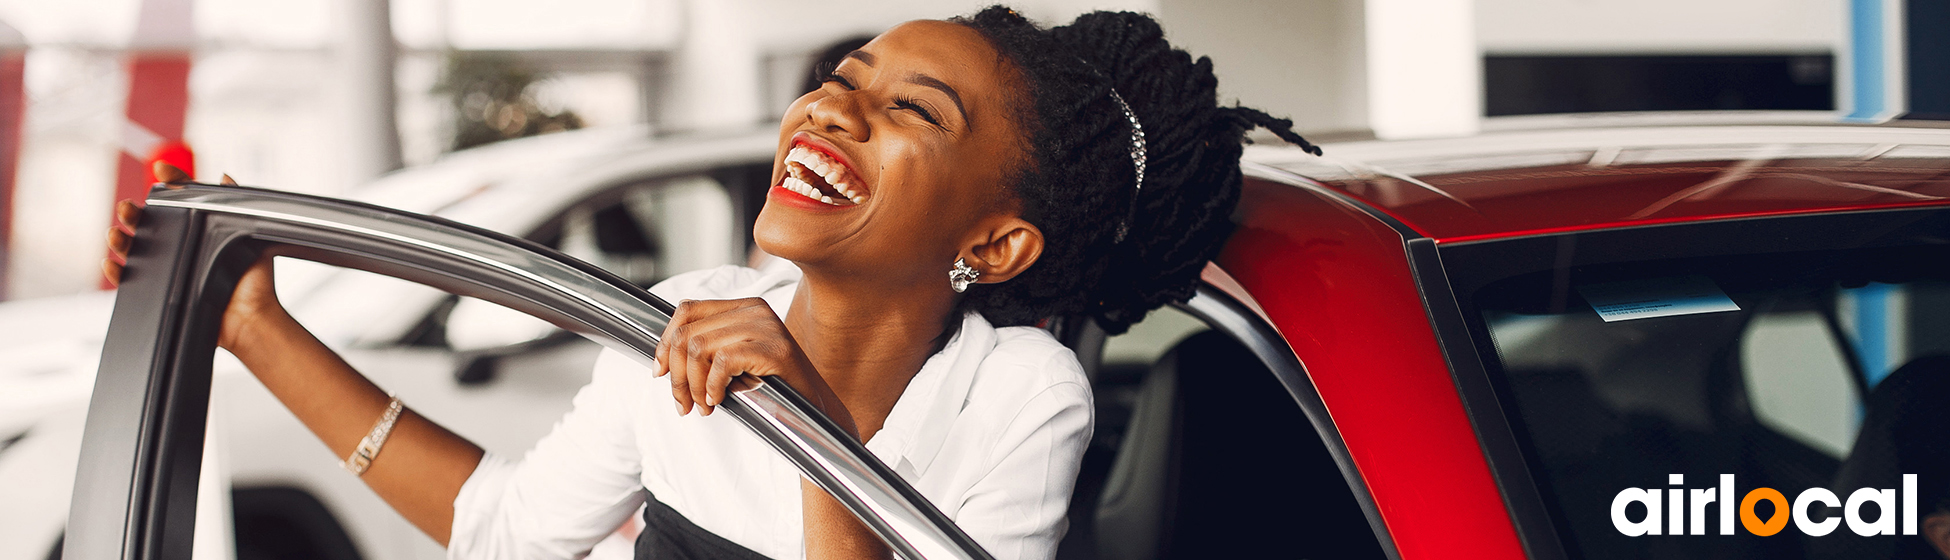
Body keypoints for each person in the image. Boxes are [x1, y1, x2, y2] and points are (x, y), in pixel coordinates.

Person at [104, 7, 1320, 560]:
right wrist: (252, 324)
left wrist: (802, 416)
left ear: (996, 247)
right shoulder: (683, 311)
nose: (835, 103)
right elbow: (505, 530)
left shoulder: (1019, 391)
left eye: (912, 109)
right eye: (848, 72)